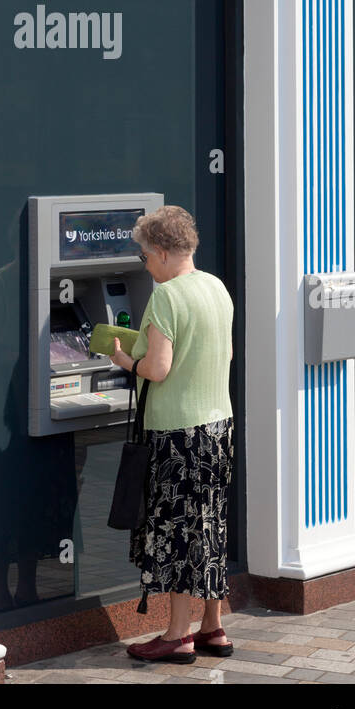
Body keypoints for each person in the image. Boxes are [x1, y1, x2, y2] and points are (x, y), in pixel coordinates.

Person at [109, 205, 234, 664]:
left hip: (177, 435)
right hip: (219, 426)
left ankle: (178, 635)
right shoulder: (217, 288)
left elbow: (158, 369)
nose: (145, 265)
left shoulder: (167, 296)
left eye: (144, 256)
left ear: (162, 252)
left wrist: (125, 361)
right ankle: (213, 628)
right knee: (210, 524)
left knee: (178, 531)